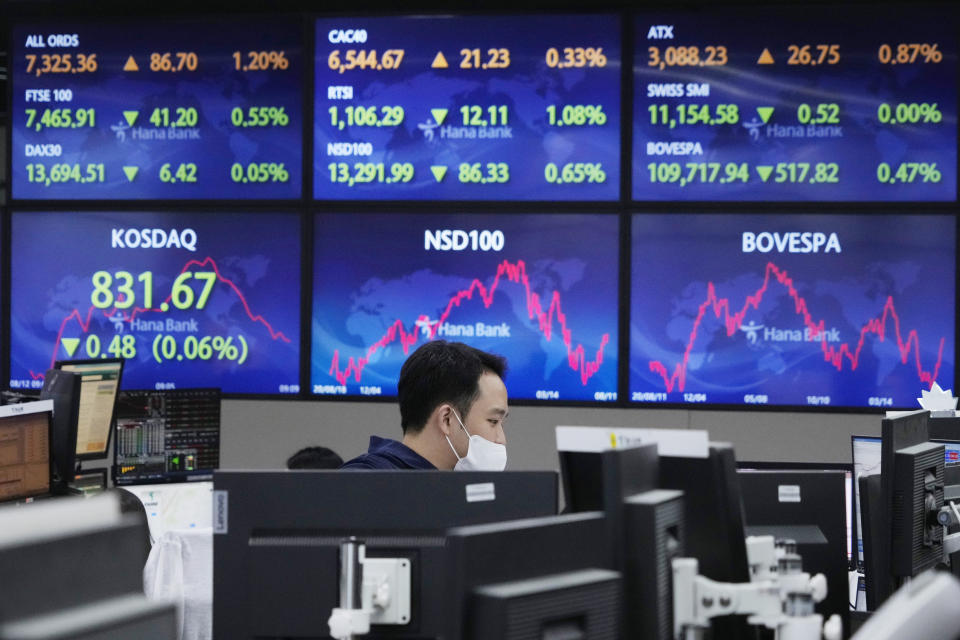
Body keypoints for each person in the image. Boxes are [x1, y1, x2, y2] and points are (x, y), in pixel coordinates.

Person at [341, 340, 508, 470]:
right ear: (447, 419)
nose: (501, 439)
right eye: (493, 421)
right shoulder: (363, 485)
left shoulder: (457, 491)